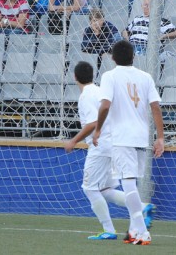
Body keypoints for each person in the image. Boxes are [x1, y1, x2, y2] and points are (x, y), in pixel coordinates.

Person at [64, 61, 156, 241]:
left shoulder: (85, 96)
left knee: (89, 188)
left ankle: (108, 230)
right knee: (105, 189)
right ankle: (143, 207)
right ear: (92, 75)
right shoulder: (99, 90)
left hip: (100, 147)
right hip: (114, 143)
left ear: (75, 77)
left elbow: (92, 123)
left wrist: (73, 141)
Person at [92, 40, 165, 246]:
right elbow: (156, 108)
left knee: (128, 183)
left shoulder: (109, 76)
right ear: (133, 57)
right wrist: (160, 137)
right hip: (141, 137)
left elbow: (105, 105)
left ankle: (142, 231)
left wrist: (98, 128)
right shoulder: (145, 77)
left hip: (122, 138)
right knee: (131, 182)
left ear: (113, 58)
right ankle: (134, 230)